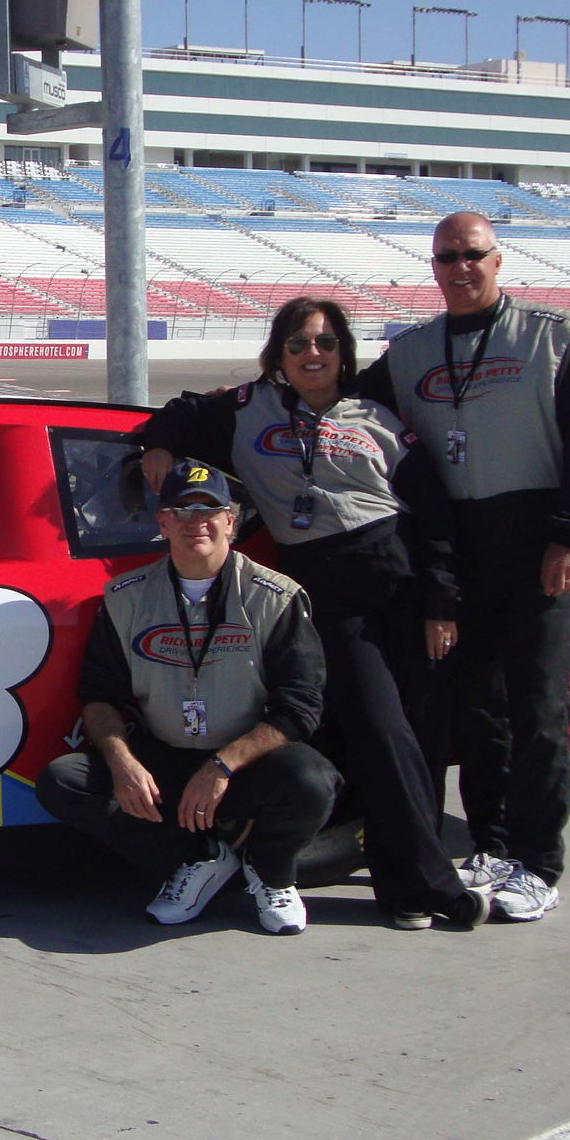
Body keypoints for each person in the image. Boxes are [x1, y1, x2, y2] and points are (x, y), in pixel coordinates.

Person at [134, 298, 492, 930]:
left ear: (343, 353)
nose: (313, 354)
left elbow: (434, 516)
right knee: (383, 738)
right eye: (298, 344)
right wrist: (160, 445)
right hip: (336, 599)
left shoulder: (379, 417)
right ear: (280, 355)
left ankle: (404, 891)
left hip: (407, 589)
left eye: (326, 344)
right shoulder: (247, 411)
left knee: (419, 744)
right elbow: (182, 413)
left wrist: (443, 603)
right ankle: (437, 884)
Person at [358, 211, 570, 923]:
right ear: (432, 268)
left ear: (498, 261)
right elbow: (331, 397)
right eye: (445, 258)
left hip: (535, 540)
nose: (459, 268)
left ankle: (539, 861)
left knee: (539, 708)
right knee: (479, 709)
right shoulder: (410, 353)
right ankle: (493, 845)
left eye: (472, 255)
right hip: (456, 542)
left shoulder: (554, 337)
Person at [35, 460, 337, 935]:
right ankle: (198, 860)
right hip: (165, 761)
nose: (196, 521)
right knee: (63, 780)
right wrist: (122, 763)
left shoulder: (275, 597)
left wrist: (222, 765)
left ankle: (272, 871)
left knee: (312, 779)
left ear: (230, 521)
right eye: (182, 510)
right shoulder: (125, 597)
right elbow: (98, 696)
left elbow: (301, 708)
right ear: (162, 522)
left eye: (209, 509)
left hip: (245, 764)